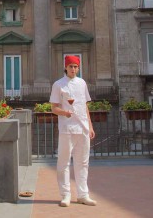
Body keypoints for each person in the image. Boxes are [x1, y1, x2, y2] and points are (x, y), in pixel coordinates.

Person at [49, 55, 97, 207]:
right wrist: (65, 113)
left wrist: (90, 126)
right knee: (63, 162)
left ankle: (83, 195)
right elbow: (54, 108)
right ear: (66, 67)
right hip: (67, 128)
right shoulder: (58, 85)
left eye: (76, 66)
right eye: (71, 66)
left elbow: (84, 106)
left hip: (82, 129)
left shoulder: (82, 83)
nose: (73, 69)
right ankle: (66, 195)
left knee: (83, 162)